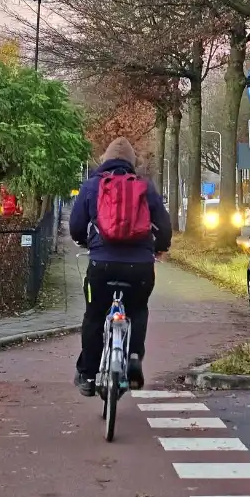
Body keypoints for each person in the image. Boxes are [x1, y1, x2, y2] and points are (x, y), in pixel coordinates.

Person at [69, 137, 173, 397]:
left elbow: (75, 226)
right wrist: (160, 247)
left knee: (94, 315)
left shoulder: (92, 186)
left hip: (101, 265)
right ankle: (134, 357)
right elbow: (165, 227)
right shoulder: (145, 187)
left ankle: (89, 375)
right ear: (132, 163)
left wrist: (86, 241)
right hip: (139, 267)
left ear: (103, 160)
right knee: (138, 309)